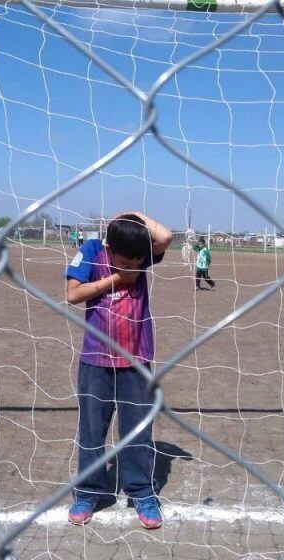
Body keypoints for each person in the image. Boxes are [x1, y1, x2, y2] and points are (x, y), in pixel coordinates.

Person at [65, 211, 172, 529]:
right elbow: (71, 294)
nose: (132, 267)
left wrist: (132, 215)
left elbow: (165, 237)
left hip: (136, 361)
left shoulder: (138, 250)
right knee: (92, 432)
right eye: (125, 261)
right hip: (96, 359)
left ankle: (141, 492)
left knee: (137, 432)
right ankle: (87, 492)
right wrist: (115, 279)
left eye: (136, 263)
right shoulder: (92, 250)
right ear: (109, 247)